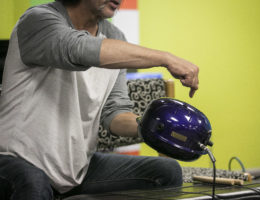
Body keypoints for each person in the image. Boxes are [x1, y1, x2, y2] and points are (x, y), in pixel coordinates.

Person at [0, 0, 199, 199]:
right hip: (13, 161)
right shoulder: (38, 19)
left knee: (166, 172)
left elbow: (115, 114)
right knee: (33, 182)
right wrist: (165, 58)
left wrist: (154, 127)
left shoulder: (115, 37)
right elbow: (79, 48)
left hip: (76, 171)